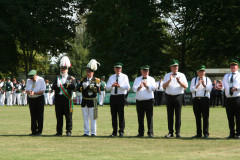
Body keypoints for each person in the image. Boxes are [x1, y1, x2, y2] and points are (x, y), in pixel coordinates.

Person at [163, 59, 188, 138]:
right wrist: (169, 80)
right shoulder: (167, 75)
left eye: (176, 66)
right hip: (169, 96)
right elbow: (163, 86)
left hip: (178, 96)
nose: (175, 67)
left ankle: (178, 132)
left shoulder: (182, 75)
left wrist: (179, 81)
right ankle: (170, 132)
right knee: (170, 115)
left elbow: (186, 86)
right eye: (174, 66)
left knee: (178, 115)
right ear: (171, 67)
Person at [52, 56, 75, 136]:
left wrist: (65, 85)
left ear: (67, 69)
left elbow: (73, 87)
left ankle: (68, 131)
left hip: (67, 99)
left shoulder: (70, 78)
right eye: (61, 69)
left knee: (68, 116)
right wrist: (57, 86)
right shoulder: (57, 77)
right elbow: (53, 87)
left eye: (64, 69)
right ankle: (59, 131)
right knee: (59, 116)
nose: (62, 70)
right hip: (58, 99)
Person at [106, 62, 130, 137]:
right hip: (113, 96)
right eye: (116, 68)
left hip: (121, 96)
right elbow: (107, 88)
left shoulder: (124, 76)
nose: (118, 69)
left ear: (121, 69)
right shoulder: (111, 77)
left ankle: (121, 131)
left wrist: (120, 86)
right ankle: (114, 131)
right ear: (114, 69)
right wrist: (112, 86)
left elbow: (127, 87)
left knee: (121, 114)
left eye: (119, 68)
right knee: (113, 115)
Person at [132, 65, 156, 138]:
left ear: (148, 72)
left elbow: (154, 88)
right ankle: (141, 132)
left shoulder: (152, 79)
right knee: (140, 117)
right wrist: (139, 87)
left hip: (149, 100)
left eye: (146, 71)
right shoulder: (137, 79)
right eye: (144, 71)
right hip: (139, 100)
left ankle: (150, 132)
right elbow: (133, 89)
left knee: (149, 117)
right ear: (141, 71)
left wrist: (147, 86)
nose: (145, 72)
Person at [79, 59, 100, 136]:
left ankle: (93, 132)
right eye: (87, 72)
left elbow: (97, 89)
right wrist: (82, 87)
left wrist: (88, 87)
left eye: (90, 72)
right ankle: (86, 132)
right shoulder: (83, 80)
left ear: (93, 73)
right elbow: (78, 88)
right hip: (84, 101)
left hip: (92, 101)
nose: (88, 73)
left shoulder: (96, 80)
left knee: (93, 118)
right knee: (85, 118)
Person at [190, 65, 212, 139]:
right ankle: (198, 133)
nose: (202, 73)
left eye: (203, 71)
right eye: (201, 71)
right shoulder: (194, 79)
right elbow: (191, 90)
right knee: (197, 117)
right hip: (196, 100)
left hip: (205, 99)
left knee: (205, 117)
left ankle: (206, 133)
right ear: (197, 72)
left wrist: (204, 85)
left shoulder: (207, 79)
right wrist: (197, 85)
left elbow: (209, 89)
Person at [222, 59, 240, 139]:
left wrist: (237, 88)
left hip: (237, 98)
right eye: (231, 65)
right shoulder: (226, 76)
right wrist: (220, 87)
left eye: (234, 65)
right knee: (230, 117)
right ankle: (231, 133)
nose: (232, 67)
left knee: (238, 117)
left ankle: (239, 133)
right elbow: (223, 85)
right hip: (228, 98)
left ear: (237, 67)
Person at [26, 70, 46, 136]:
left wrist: (34, 93)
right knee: (33, 115)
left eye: (33, 77)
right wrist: (30, 92)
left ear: (36, 75)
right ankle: (33, 131)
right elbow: (26, 90)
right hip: (31, 99)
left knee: (40, 116)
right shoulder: (28, 80)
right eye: (30, 77)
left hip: (39, 98)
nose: (31, 79)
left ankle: (39, 131)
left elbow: (42, 91)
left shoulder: (41, 80)